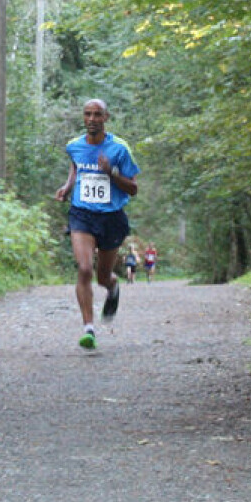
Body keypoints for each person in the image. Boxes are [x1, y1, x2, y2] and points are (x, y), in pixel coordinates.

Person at [54, 99, 140, 349]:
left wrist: (110, 172)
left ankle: (112, 288)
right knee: (84, 269)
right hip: (82, 214)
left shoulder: (119, 149)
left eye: (97, 115)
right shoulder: (74, 146)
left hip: (111, 217)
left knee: (103, 276)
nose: (92, 119)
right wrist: (68, 187)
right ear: (83, 118)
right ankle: (88, 328)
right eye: (88, 114)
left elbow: (133, 189)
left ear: (106, 118)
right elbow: (76, 167)